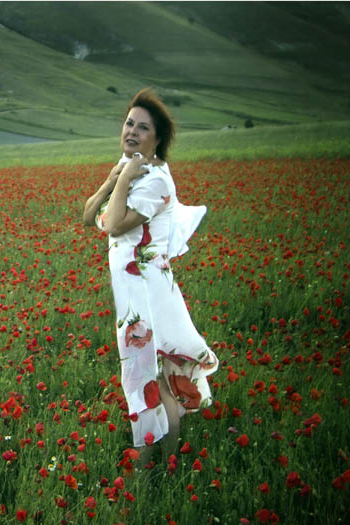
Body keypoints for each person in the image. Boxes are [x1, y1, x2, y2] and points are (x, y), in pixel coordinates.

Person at [82, 88, 217, 465]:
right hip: (133, 292)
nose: (131, 132)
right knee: (151, 378)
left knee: (149, 379)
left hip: (148, 292)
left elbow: (112, 225)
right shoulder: (129, 169)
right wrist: (113, 180)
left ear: (157, 138)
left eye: (142, 128)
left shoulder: (156, 180)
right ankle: (163, 460)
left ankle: (156, 465)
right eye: (129, 123)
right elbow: (87, 214)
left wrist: (123, 178)